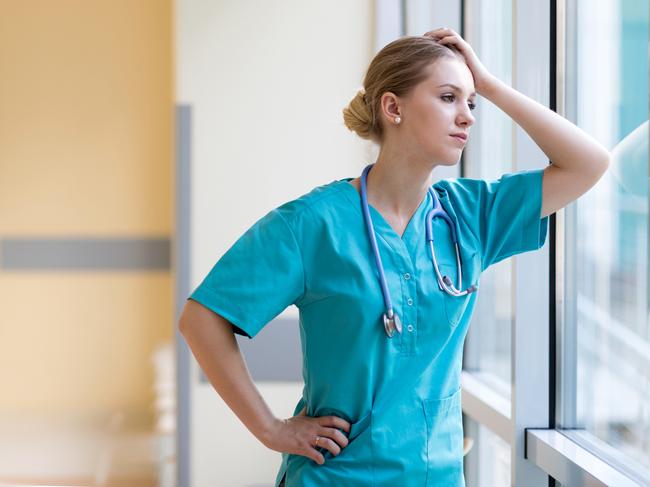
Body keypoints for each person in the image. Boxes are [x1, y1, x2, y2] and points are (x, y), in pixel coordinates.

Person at [179, 28, 610, 487]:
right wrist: (270, 429)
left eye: (472, 104)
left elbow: (588, 163)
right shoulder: (312, 223)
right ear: (393, 107)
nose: (467, 117)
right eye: (448, 98)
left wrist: (490, 84)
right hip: (334, 477)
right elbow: (201, 318)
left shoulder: (471, 215)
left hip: (435, 476)